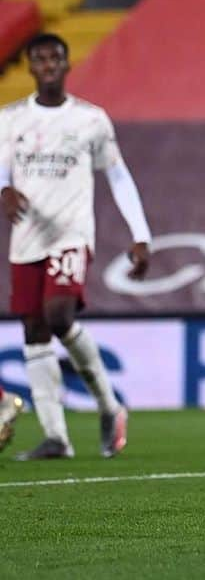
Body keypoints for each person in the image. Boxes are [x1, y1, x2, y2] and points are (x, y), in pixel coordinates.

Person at [0, 32, 152, 460]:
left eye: (55, 58)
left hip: (71, 234)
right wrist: (4, 191)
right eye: (40, 59)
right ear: (30, 67)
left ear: (67, 65)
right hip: (27, 237)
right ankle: (56, 437)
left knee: (59, 315)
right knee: (33, 331)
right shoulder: (9, 119)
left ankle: (110, 405)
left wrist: (141, 235)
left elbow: (118, 176)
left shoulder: (90, 120)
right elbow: (0, 171)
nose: (48, 65)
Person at [0, 386, 23, 452]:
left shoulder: (11, 399)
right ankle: (4, 433)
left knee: (3, 423)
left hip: (8, 403)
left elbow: (18, 403)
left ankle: (4, 433)